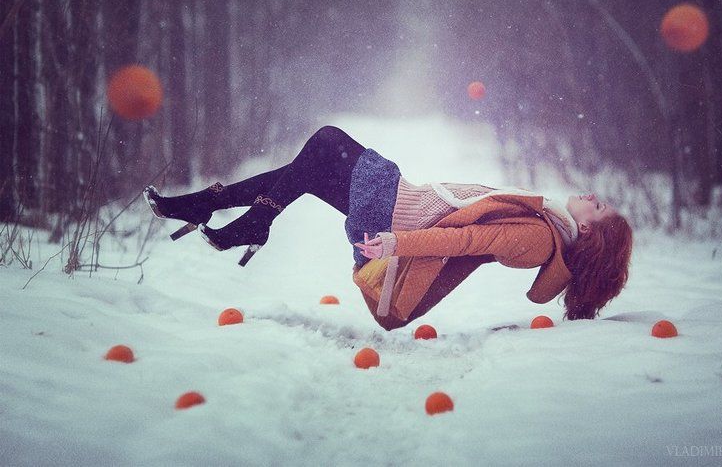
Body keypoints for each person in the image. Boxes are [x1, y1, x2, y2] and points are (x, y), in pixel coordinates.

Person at [143, 125, 633, 328]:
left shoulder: (538, 239)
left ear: (588, 233)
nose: (592, 198)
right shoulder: (548, 222)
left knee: (327, 141)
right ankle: (213, 207)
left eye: (599, 207)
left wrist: (396, 244)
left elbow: (463, 238)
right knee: (310, 171)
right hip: (398, 210)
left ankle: (245, 218)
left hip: (394, 222)